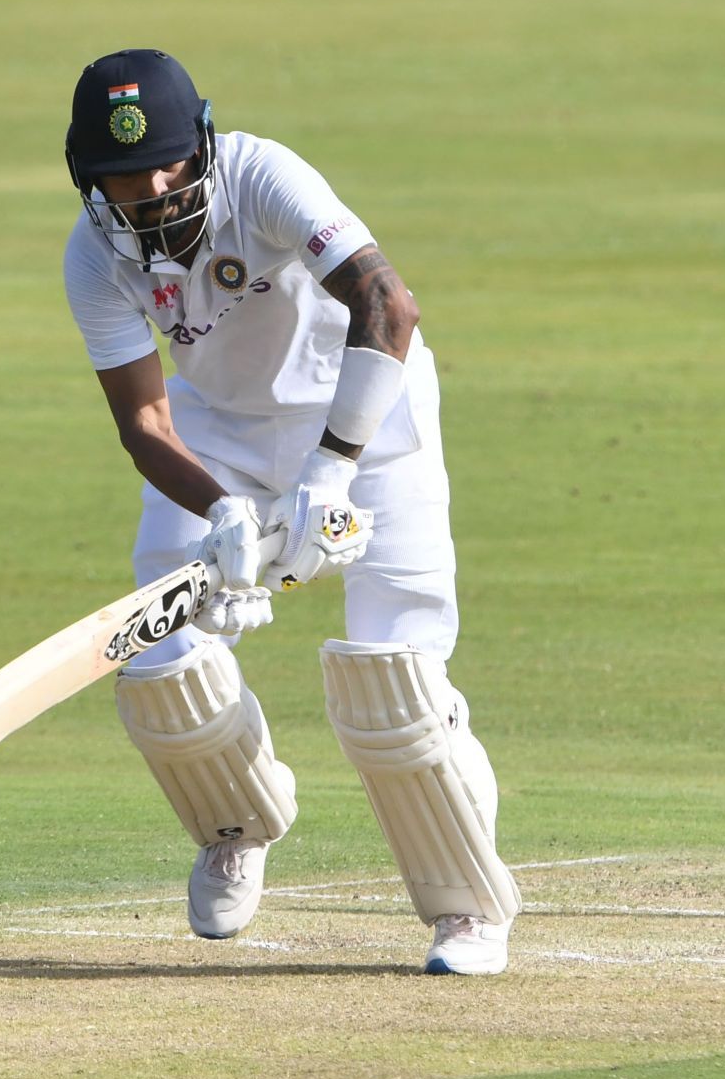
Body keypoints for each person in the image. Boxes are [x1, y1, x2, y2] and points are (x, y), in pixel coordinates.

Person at [60, 49, 520, 975]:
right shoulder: (93, 256)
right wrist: (226, 511)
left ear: (203, 146)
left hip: (368, 417)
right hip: (218, 434)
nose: (150, 189)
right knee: (163, 657)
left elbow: (388, 305)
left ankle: (468, 908)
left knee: (395, 673)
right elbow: (146, 421)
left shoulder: (265, 177)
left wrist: (331, 472)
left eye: (168, 164)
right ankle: (237, 819)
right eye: (123, 173)